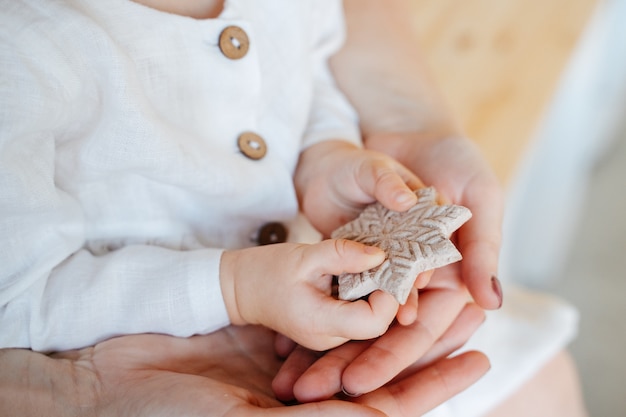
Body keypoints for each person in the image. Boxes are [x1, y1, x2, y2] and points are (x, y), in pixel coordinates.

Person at [0, 1, 588, 416]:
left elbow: (306, 72)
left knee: (539, 379)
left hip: (310, 299)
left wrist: (325, 156)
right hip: (127, 355)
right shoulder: (24, 48)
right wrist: (232, 289)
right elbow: (15, 295)